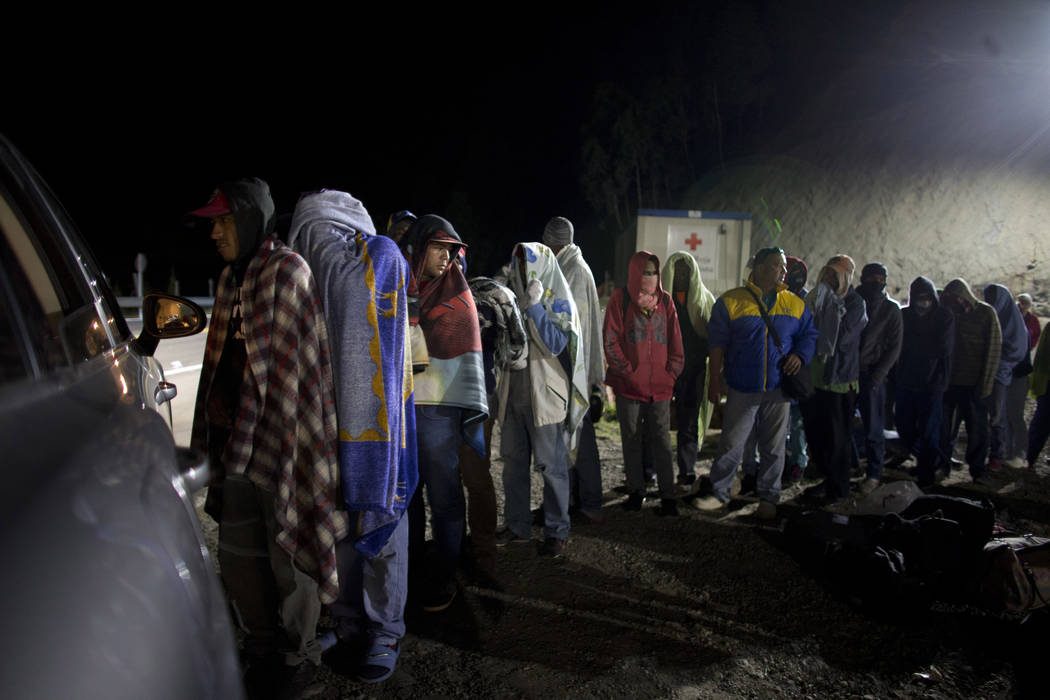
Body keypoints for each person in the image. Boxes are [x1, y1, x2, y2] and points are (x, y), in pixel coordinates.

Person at [189, 179, 344, 698]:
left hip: (281, 443)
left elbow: (299, 376)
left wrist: (289, 443)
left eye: (222, 220)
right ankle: (258, 645)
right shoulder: (230, 280)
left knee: (291, 555)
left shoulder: (288, 272)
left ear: (251, 217)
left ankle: (297, 655)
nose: (214, 231)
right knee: (239, 556)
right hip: (235, 444)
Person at [287, 190, 416, 684]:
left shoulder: (381, 255)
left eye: (322, 234)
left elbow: (357, 303)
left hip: (379, 427)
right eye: (308, 236)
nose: (316, 246)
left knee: (382, 520)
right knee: (337, 520)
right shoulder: (299, 271)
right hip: (325, 415)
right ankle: (346, 621)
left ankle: (385, 629)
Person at [688, 247, 817, 519]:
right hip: (742, 388)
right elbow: (717, 344)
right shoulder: (731, 301)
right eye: (776, 266)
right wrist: (715, 383)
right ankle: (720, 492)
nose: (783, 271)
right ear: (758, 268)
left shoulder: (794, 303)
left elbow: (809, 334)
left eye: (784, 266)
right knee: (731, 443)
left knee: (774, 446)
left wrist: (801, 355)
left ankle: (769, 498)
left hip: (779, 389)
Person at [399, 215, 488, 612]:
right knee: (409, 497)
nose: (445, 257)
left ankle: (444, 575)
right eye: (438, 248)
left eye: (451, 250)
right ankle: (413, 569)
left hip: (438, 408)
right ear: (419, 249)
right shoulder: (398, 287)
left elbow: (463, 346)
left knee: (444, 495)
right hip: (404, 407)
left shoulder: (456, 292)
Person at [498, 242, 588, 557]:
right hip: (513, 395)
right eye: (519, 264)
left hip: (545, 396)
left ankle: (556, 531)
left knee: (551, 467)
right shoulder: (509, 295)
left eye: (528, 264)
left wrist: (534, 307)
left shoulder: (558, 301)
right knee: (513, 465)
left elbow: (554, 344)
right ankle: (517, 525)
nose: (523, 271)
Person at [604, 251, 685, 516]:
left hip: (660, 388)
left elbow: (676, 342)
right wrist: (627, 371)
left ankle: (668, 496)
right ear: (634, 272)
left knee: (661, 441)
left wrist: (671, 372)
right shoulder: (621, 298)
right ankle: (636, 492)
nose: (649, 277)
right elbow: (611, 339)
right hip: (629, 387)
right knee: (631, 440)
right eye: (645, 272)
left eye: (653, 272)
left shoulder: (666, 302)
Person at [461, 274, 528, 585]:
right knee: (459, 479)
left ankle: (481, 552)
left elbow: (515, 350)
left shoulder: (484, 301)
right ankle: (471, 551)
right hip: (453, 400)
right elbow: (516, 352)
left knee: (473, 476)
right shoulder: (427, 292)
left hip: (472, 401)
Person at [543, 216, 606, 522]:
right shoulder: (567, 266)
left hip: (573, 368)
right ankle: (574, 501)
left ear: (555, 244)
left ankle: (589, 503)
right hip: (570, 367)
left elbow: (573, 323)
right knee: (574, 435)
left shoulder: (575, 271)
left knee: (579, 435)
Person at [799, 255, 868, 503]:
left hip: (839, 381)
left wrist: (824, 318)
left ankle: (837, 489)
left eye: (835, 275)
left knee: (837, 438)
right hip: (815, 379)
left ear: (846, 278)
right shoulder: (817, 299)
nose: (830, 279)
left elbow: (844, 338)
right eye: (827, 273)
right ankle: (827, 480)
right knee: (816, 435)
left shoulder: (855, 303)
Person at [894, 276, 954, 487]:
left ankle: (926, 474)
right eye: (919, 298)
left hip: (933, 384)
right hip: (907, 381)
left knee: (929, 430)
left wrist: (914, 346)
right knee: (904, 425)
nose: (923, 302)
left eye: (927, 297)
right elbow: (900, 343)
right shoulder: (905, 315)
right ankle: (929, 461)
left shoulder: (944, 317)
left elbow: (942, 348)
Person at [662, 252, 715, 488]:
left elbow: (713, 338)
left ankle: (686, 470)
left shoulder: (705, 301)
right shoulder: (661, 300)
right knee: (656, 422)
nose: (682, 275)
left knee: (688, 422)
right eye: (678, 270)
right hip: (664, 370)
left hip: (693, 370)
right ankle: (651, 470)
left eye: (686, 271)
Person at [940, 278, 1001, 483]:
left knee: (977, 430)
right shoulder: (949, 313)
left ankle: (977, 470)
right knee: (944, 428)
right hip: (950, 383)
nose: (952, 303)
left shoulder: (986, 314)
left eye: (955, 299)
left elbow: (993, 350)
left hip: (974, 385)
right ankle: (943, 465)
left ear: (963, 297)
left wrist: (985, 385)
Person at [854, 262, 902, 492]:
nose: (876, 282)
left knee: (873, 428)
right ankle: (849, 467)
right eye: (871, 278)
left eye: (880, 279)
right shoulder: (852, 301)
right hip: (848, 374)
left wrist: (877, 377)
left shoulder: (890, 309)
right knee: (844, 425)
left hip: (872, 376)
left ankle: (873, 473)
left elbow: (894, 348)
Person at [983, 283, 1030, 471]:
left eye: (994, 299)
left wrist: (994, 356)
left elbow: (1016, 352)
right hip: (994, 374)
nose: (991, 303)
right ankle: (999, 452)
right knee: (995, 415)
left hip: (1012, 376)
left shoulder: (1016, 325)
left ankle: (1011, 454)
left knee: (1008, 416)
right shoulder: (991, 319)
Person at [1026, 325, 1050, 468]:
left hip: (1046, 382)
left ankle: (1029, 457)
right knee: (1041, 422)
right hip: (1047, 382)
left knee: (1041, 423)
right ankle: (1029, 457)